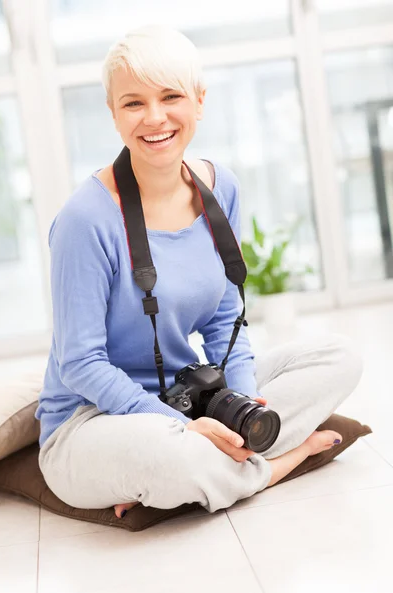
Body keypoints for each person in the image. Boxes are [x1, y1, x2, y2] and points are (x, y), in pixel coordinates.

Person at [36, 25, 363, 519]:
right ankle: (277, 464)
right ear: (112, 112)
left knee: (340, 356)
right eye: (133, 103)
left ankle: (218, 463)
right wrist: (178, 428)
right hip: (93, 421)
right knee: (176, 457)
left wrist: (244, 400)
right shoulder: (85, 221)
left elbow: (223, 318)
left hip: (188, 393)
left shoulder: (219, 188)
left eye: (171, 96)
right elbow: (80, 364)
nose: (155, 118)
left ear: (199, 101)